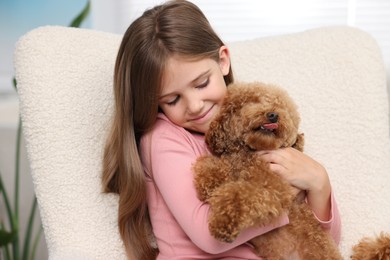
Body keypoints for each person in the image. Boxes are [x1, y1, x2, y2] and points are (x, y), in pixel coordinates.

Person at [102, 1, 341, 259]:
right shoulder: (163, 138)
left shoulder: (252, 130)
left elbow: (322, 245)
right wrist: (285, 191)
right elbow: (210, 235)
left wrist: (319, 182)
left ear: (223, 61)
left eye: (202, 83)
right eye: (172, 100)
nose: (194, 105)